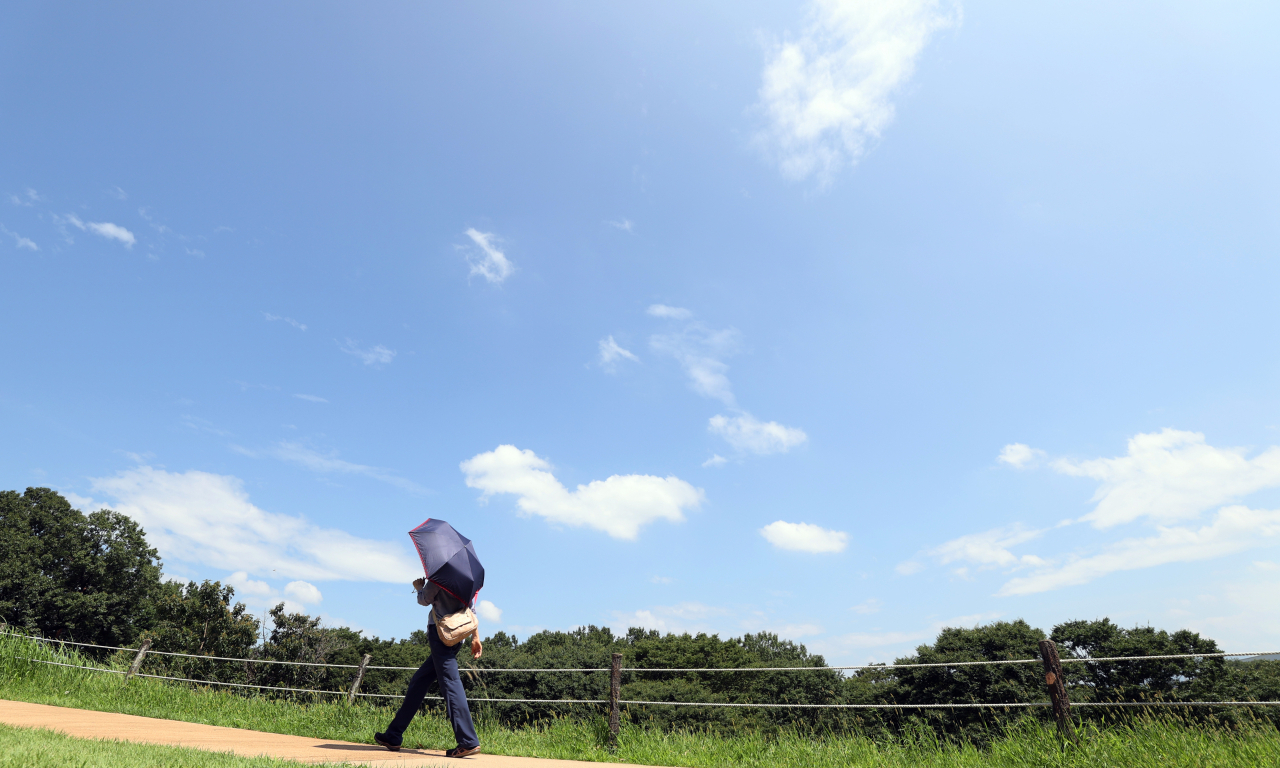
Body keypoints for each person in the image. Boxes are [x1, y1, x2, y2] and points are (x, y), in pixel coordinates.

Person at [375, 576, 483, 758]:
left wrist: (419, 587)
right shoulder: (467, 579)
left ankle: (468, 741)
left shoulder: (440, 575)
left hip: (441, 635)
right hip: (458, 636)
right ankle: (393, 735)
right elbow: (471, 611)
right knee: (419, 681)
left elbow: (424, 599)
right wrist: (475, 637)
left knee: (451, 683)